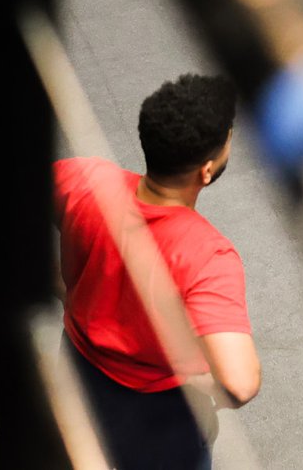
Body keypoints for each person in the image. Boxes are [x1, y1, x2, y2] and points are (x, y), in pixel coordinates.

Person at [54, 74, 259, 470]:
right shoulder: (208, 256)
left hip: (77, 371)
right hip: (159, 415)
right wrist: (206, 390)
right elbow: (241, 382)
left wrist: (62, 287)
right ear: (206, 169)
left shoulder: (86, 180)